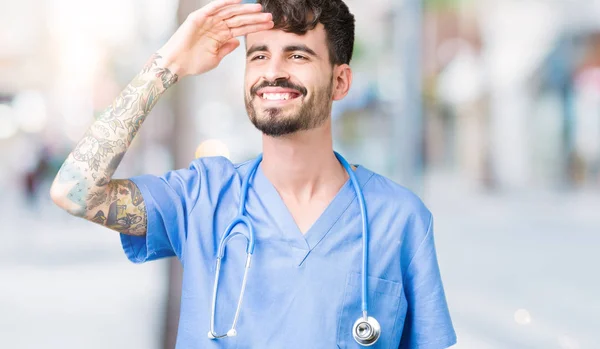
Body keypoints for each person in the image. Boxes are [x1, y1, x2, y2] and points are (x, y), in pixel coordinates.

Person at [50, 0, 457, 347]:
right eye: (259, 54)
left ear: (340, 81)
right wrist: (167, 65)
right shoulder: (201, 198)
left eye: (297, 55)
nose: (272, 71)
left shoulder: (399, 219)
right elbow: (75, 191)